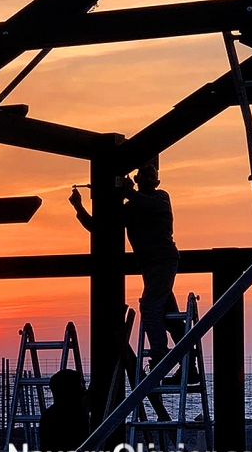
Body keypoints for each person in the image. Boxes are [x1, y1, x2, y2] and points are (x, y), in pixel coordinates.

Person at [68, 164, 196, 383]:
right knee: (169, 317)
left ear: (157, 182)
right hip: (150, 266)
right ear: (136, 179)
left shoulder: (161, 198)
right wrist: (79, 208)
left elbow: (148, 204)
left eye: (151, 176)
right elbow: (100, 228)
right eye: (143, 176)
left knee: (150, 307)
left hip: (163, 261)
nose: (147, 179)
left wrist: (127, 191)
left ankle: (159, 358)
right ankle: (189, 367)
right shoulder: (130, 208)